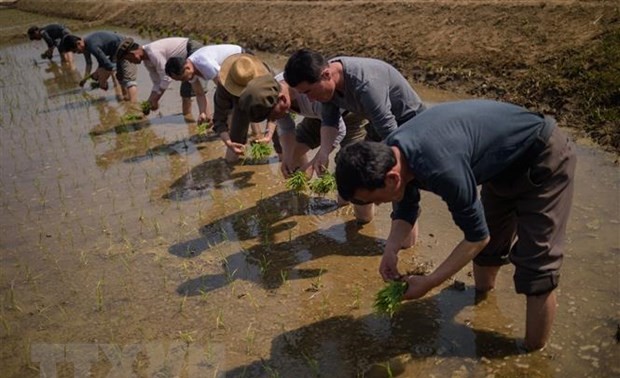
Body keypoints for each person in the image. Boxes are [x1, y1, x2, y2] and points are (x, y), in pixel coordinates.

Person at [335, 99, 577, 352]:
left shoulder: (440, 168)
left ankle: (530, 355)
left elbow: (476, 237)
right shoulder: (390, 155)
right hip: (501, 167)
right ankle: (485, 299)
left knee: (536, 266)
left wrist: (430, 282)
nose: (379, 205)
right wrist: (391, 250)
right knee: (489, 250)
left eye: (375, 200)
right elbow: (406, 206)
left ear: (392, 179)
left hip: (542, 155)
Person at [238, 73, 374, 223]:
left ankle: (361, 218)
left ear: (282, 99)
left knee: (352, 173)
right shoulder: (274, 91)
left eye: (273, 116)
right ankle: (302, 197)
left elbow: (338, 129)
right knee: (294, 155)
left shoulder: (311, 91)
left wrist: (316, 161)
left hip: (350, 115)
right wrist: (287, 157)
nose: (273, 120)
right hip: (317, 116)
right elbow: (287, 127)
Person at [283, 48, 426, 174]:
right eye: (304, 94)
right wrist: (324, 154)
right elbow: (330, 120)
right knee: (354, 166)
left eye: (309, 92)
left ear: (326, 75)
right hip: (377, 124)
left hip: (409, 123)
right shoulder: (327, 79)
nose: (311, 99)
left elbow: (388, 128)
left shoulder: (365, 84)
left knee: (403, 183)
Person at [211, 53, 276, 163]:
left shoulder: (268, 81)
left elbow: (276, 110)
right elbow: (219, 120)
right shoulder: (224, 85)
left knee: (282, 143)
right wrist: (228, 142)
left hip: (263, 101)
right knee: (233, 150)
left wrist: (269, 134)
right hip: (239, 107)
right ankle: (231, 164)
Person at [117, 37, 203, 119]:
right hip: (183, 60)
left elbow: (166, 78)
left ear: (133, 53)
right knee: (185, 93)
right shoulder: (147, 62)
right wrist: (149, 103)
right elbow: (157, 83)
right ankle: (189, 120)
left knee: (194, 91)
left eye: (129, 59)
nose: (131, 62)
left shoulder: (153, 53)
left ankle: (203, 118)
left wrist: (156, 99)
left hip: (192, 50)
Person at [164, 44, 244, 124]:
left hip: (242, 58)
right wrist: (202, 113)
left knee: (239, 100)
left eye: (183, 78)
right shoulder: (190, 70)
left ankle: (254, 133)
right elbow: (199, 94)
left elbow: (224, 88)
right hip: (228, 68)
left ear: (187, 68)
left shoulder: (205, 64)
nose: (184, 81)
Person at [59, 32, 139, 104]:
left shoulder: (91, 45)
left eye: (76, 51)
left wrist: (102, 81)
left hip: (123, 47)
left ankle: (133, 106)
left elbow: (108, 65)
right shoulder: (87, 44)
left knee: (128, 80)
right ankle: (125, 100)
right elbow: (99, 62)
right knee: (120, 78)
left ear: (79, 43)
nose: (78, 53)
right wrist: (94, 75)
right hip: (116, 51)